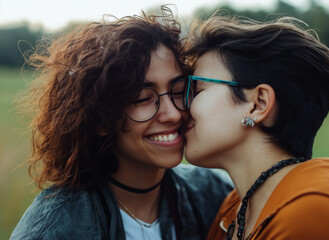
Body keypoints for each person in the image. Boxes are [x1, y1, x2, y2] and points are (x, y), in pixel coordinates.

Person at [10, 7, 233, 240]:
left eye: (178, 91)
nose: (173, 114)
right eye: (142, 98)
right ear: (99, 119)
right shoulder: (55, 228)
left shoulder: (214, 194)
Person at [181, 15, 329, 239]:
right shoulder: (233, 211)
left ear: (258, 104)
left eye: (197, 90)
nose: (182, 106)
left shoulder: (314, 210)